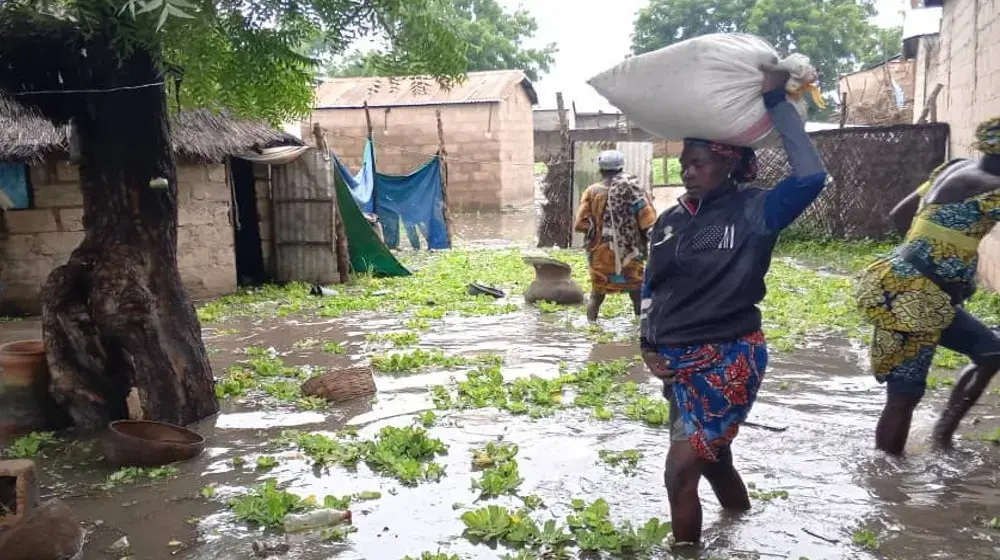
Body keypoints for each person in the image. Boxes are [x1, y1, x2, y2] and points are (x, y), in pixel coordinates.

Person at [639, 67, 828, 546]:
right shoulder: (670, 221)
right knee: (715, 459)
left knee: (679, 474)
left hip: (727, 357)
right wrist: (647, 343)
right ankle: (740, 523)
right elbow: (651, 287)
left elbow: (811, 175)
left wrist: (775, 103)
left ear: (728, 164)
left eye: (698, 162)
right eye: (684, 162)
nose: (687, 170)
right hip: (676, 364)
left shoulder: (755, 210)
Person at [855, 117, 1000, 456]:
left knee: (991, 353)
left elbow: (900, 213)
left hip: (907, 285)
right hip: (913, 297)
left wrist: (928, 255)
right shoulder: (994, 188)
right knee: (903, 397)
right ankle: (888, 480)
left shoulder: (953, 167)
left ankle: (942, 437)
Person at [574, 150, 657, 322]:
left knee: (596, 296)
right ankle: (640, 331)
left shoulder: (592, 192)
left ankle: (591, 328)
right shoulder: (634, 190)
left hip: (600, 254)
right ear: (621, 168)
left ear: (600, 169)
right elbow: (648, 223)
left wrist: (599, 229)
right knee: (636, 295)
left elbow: (580, 224)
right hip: (629, 253)